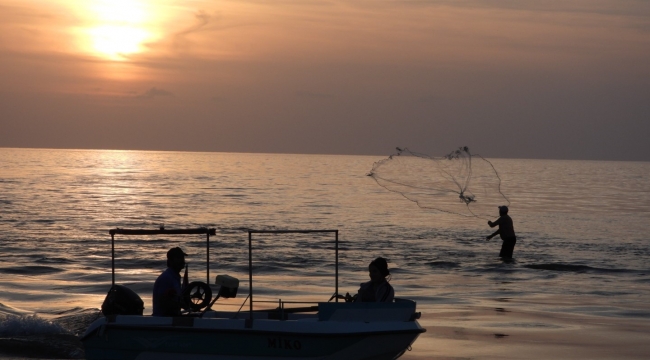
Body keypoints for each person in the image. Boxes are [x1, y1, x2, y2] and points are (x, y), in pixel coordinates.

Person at [152, 247, 187, 316]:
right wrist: (182, 304)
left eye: (182, 258)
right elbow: (163, 303)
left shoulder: (175, 277)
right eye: (179, 258)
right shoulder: (166, 278)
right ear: (171, 261)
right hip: (162, 319)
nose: (182, 261)